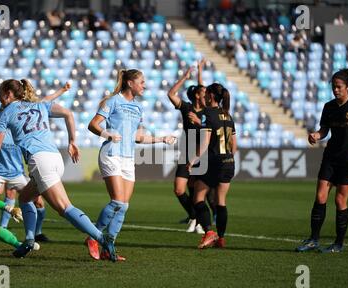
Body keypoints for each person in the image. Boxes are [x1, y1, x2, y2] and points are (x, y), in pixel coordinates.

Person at [0, 79, 117, 260]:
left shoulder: (6, 113)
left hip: (40, 162)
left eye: (0, 94)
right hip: (55, 158)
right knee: (25, 198)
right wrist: (72, 142)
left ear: (8, 93)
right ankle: (29, 239)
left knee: (64, 208)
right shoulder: (39, 105)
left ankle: (102, 238)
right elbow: (68, 113)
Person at [86, 69, 176, 261]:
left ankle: (108, 248)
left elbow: (138, 137)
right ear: (130, 83)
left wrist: (162, 138)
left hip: (128, 158)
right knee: (117, 201)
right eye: (142, 82)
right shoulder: (112, 101)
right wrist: (107, 134)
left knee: (124, 206)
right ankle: (94, 236)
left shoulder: (138, 108)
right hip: (111, 154)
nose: (145, 85)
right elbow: (93, 124)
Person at [0, 69, 70, 242]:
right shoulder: (4, 110)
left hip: (18, 166)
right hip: (6, 163)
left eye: (1, 95)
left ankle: (37, 233)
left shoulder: (29, 108)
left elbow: (45, 101)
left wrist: (62, 91)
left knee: (39, 201)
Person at [296, 69, 348, 253]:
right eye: (333, 87)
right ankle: (313, 240)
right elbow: (324, 130)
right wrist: (316, 135)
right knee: (320, 197)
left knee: (340, 201)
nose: (336, 90)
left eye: (339, 87)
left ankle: (338, 244)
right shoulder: (329, 107)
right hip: (331, 158)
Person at [187, 83, 237, 249]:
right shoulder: (228, 116)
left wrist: (193, 160)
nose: (203, 97)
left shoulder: (207, 113)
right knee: (220, 201)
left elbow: (205, 142)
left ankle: (209, 232)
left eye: (205, 94)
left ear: (210, 96)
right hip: (229, 162)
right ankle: (221, 239)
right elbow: (234, 145)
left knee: (197, 198)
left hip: (214, 162)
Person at [168, 61, 207, 234]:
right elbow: (171, 94)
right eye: (203, 92)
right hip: (187, 153)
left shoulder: (208, 111)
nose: (206, 93)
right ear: (197, 95)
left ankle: (200, 222)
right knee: (179, 189)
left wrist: (200, 70)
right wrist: (185, 77)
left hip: (203, 155)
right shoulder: (187, 108)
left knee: (197, 192)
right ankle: (193, 216)